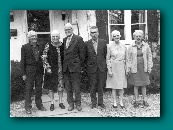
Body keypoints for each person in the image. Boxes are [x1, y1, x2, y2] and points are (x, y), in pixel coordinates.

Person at [21, 30, 46, 114]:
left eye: (35, 36)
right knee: (28, 90)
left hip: (39, 71)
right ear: (29, 38)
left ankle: (39, 105)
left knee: (39, 89)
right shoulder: (25, 47)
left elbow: (44, 58)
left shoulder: (41, 46)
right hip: (29, 72)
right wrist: (23, 73)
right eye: (32, 36)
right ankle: (28, 107)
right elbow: (23, 61)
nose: (34, 37)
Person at [127, 30, 153, 108]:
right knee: (136, 85)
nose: (138, 38)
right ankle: (137, 100)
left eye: (139, 36)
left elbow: (149, 57)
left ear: (142, 37)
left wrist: (149, 67)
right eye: (136, 36)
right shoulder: (131, 46)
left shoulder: (146, 46)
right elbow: (128, 58)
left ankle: (145, 100)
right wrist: (128, 68)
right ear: (134, 37)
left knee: (144, 84)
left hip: (144, 67)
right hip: (134, 67)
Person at [63, 23, 85, 111]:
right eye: (66, 30)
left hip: (75, 67)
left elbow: (82, 55)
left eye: (69, 29)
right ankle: (71, 104)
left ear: (72, 30)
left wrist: (78, 64)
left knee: (77, 87)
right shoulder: (64, 40)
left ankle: (78, 104)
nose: (67, 31)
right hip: (66, 68)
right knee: (68, 88)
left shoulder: (78, 39)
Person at [41, 30, 65, 111]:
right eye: (53, 36)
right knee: (51, 88)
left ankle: (61, 102)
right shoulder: (48, 45)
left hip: (60, 70)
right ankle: (52, 103)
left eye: (56, 36)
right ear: (51, 37)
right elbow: (44, 57)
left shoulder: (62, 45)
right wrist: (47, 68)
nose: (55, 38)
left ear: (59, 37)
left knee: (60, 87)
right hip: (51, 70)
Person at [84, 26, 107, 109]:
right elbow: (85, 57)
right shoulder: (86, 44)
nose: (94, 34)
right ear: (90, 34)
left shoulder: (103, 42)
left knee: (101, 86)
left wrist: (104, 65)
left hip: (101, 67)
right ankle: (93, 103)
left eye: (95, 32)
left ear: (98, 33)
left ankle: (100, 102)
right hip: (91, 68)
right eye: (92, 33)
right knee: (92, 86)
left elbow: (105, 55)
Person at [106, 30, 127, 109]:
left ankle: (121, 101)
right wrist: (109, 70)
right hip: (113, 66)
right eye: (114, 36)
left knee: (121, 85)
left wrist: (127, 69)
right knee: (114, 86)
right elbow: (107, 59)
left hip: (122, 66)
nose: (116, 37)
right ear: (112, 37)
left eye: (117, 35)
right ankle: (114, 102)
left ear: (120, 36)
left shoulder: (124, 46)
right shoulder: (110, 46)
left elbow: (127, 58)